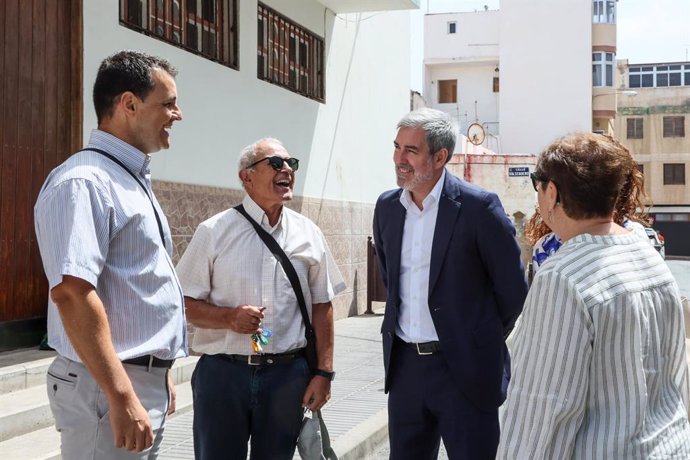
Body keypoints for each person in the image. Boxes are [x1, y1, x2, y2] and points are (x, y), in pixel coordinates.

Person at [33, 50, 187, 459]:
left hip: (133, 378)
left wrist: (158, 367)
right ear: (129, 104)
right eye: (169, 103)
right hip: (105, 389)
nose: (178, 115)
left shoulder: (127, 179)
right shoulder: (85, 181)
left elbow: (133, 286)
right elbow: (72, 293)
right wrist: (121, 393)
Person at [498, 133, 690, 458]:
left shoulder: (563, 277)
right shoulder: (650, 260)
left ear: (552, 193)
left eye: (537, 184)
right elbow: (675, 379)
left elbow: (542, 412)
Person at [373, 108, 528, 459]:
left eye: (410, 151)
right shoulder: (387, 208)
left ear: (439, 156)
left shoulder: (479, 208)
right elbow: (390, 279)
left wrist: (475, 335)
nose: (399, 159)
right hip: (405, 371)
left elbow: (513, 292)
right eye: (397, 147)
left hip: (465, 370)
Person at [176, 138, 345, 460]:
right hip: (224, 375)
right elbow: (181, 303)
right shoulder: (214, 231)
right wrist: (228, 318)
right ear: (246, 176)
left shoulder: (308, 233)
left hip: (286, 376)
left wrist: (324, 373)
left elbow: (323, 305)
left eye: (291, 164)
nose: (287, 170)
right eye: (276, 163)